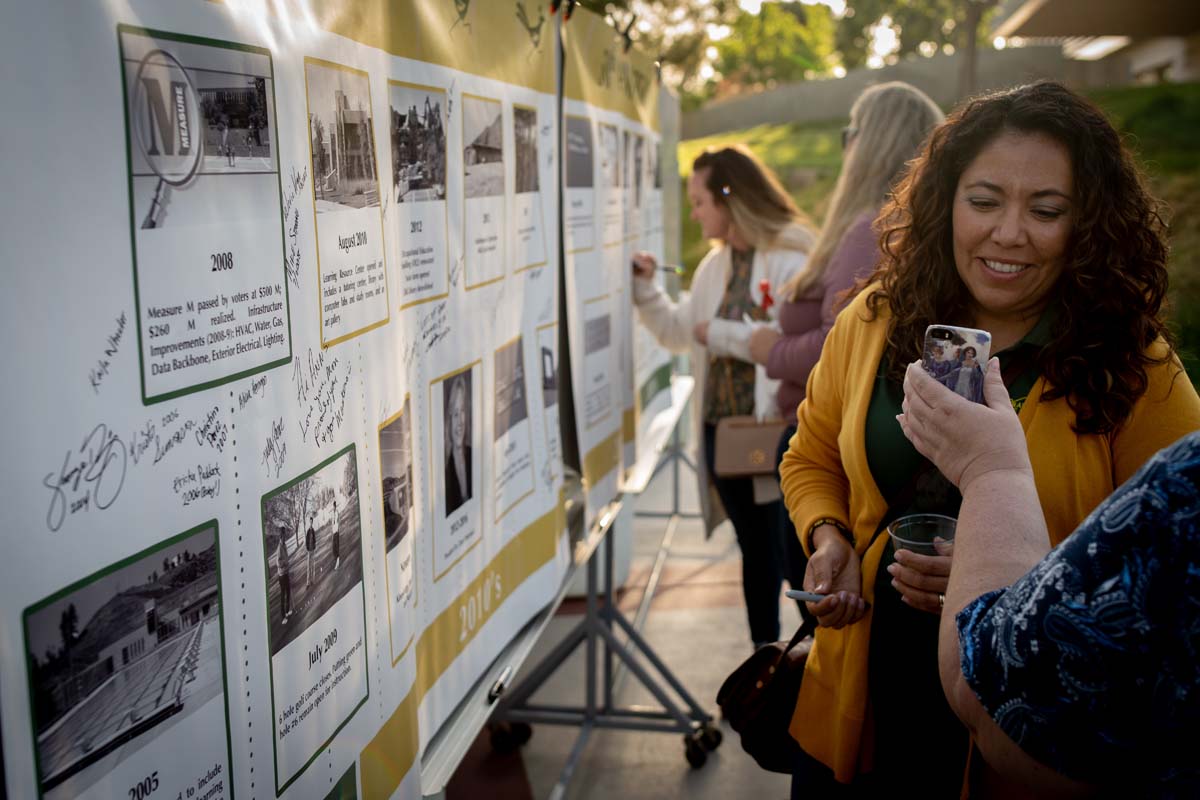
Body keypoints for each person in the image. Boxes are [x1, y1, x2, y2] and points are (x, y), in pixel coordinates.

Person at [778, 80, 1200, 796]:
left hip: (1025, 735)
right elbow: (811, 453)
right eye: (983, 201)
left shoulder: (1136, 369)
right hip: (860, 701)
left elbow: (1173, 567)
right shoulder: (872, 320)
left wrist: (1000, 573)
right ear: (943, 203)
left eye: (1046, 210)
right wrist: (828, 540)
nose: (1009, 233)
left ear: (1088, 224)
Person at [898, 360, 1200, 795]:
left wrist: (992, 470)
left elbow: (995, 693)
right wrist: (825, 529)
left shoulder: (1150, 378)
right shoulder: (867, 327)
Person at [747, 81, 944, 620]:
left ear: (870, 142)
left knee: (822, 609)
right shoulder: (892, 227)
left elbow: (842, 349)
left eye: (848, 133)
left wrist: (768, 347)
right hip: (830, 444)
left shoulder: (867, 230)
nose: (844, 144)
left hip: (827, 447)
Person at [631, 145, 816, 648]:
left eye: (699, 201)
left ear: (728, 198)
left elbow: (788, 344)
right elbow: (680, 332)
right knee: (756, 554)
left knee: (787, 554)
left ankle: (809, 666)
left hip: (774, 438)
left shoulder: (790, 259)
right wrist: (647, 291)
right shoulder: (715, 267)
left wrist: (721, 331)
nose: (695, 213)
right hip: (723, 440)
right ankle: (767, 661)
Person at [445, 373, 472, 516]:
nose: (460, 422)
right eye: (455, 414)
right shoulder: (445, 473)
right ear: (449, 422)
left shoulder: (473, 456)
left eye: (462, 412)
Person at [277, 523, 293, 624]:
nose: (285, 537)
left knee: (288, 592)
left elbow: (286, 557)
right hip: (282, 575)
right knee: (283, 595)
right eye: (284, 536)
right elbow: (278, 563)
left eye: (285, 535)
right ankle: (283, 617)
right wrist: (285, 563)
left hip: (286, 572)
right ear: (281, 536)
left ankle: (287, 611)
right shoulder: (279, 548)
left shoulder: (284, 545)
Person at [305, 511, 317, 586]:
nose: (311, 523)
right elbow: (306, 541)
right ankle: (308, 583)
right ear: (309, 522)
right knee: (309, 567)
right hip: (309, 551)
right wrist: (307, 548)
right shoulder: (308, 531)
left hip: (313, 550)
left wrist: (314, 546)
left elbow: (315, 540)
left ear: (312, 522)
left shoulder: (313, 531)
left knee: (313, 566)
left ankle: (312, 581)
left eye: (312, 522)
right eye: (310, 522)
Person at [331, 499, 340, 571]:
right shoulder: (332, 513)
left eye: (334, 506)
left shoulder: (336, 512)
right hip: (334, 532)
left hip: (336, 531)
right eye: (333, 506)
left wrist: (336, 529)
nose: (333, 507)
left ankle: (337, 562)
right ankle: (337, 559)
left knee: (336, 547)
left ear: (335, 506)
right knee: (333, 548)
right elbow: (332, 522)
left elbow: (337, 521)